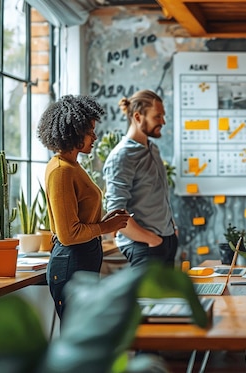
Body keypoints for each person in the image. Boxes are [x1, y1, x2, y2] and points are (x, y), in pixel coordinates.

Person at [37, 95, 130, 319]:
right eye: (90, 131)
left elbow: (78, 218)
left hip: (79, 263)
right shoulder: (61, 170)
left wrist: (104, 220)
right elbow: (69, 234)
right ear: (74, 131)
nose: (95, 136)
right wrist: (105, 228)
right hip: (71, 265)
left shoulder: (72, 166)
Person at [103, 90, 177, 267]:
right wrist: (152, 240)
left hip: (165, 240)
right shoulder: (121, 157)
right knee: (146, 296)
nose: (163, 122)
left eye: (163, 116)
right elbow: (115, 212)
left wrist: (170, 230)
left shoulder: (153, 149)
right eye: (157, 117)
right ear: (138, 117)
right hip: (145, 246)